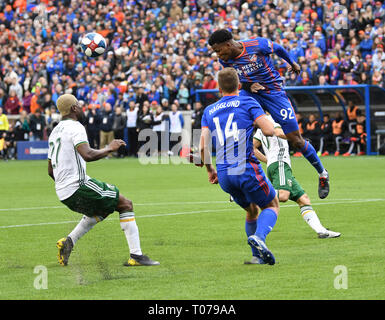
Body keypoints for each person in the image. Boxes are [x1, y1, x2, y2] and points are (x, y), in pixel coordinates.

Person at [208, 29, 330, 199]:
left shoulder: (257, 44)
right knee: (240, 129)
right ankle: (240, 180)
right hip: (250, 94)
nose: (218, 55)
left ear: (228, 45)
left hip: (274, 93)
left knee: (296, 139)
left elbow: (278, 48)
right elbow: (236, 80)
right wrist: (248, 85)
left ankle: (323, 174)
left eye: (218, 50)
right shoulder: (225, 60)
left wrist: (292, 62)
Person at [49, 94, 159, 267]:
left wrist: (65, 184)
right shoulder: (75, 127)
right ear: (74, 109)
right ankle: (136, 256)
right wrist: (109, 148)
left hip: (62, 192)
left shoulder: (55, 131)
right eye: (79, 105)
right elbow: (87, 154)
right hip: (78, 185)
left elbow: (50, 170)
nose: (81, 107)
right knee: (125, 204)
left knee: (105, 208)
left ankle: (69, 242)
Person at [198, 67, 279, 265]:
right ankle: (259, 237)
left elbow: (202, 147)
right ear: (240, 85)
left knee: (251, 210)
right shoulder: (248, 101)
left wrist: (210, 171)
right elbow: (268, 131)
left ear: (219, 88)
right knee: (272, 204)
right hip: (246, 168)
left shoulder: (209, 110)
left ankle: (256, 257)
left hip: (225, 174)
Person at [253, 116, 340, 238]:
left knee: (303, 199)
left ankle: (321, 231)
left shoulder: (262, 124)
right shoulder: (273, 118)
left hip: (275, 165)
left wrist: (268, 161)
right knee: (283, 195)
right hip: (280, 164)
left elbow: (253, 147)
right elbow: (278, 132)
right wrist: (297, 139)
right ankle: (249, 196)